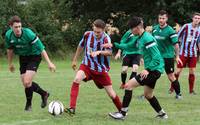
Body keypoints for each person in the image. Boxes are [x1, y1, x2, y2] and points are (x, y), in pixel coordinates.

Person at [109, 16, 168, 120]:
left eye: (132, 28)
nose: (131, 31)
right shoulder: (139, 37)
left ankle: (122, 113)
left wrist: (147, 69)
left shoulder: (147, 38)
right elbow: (129, 46)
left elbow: (157, 57)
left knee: (128, 86)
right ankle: (163, 115)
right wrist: (114, 45)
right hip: (152, 70)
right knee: (148, 95)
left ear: (137, 27)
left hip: (153, 70)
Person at [65, 19, 122, 115]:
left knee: (111, 94)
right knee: (76, 79)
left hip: (100, 70)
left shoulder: (106, 38)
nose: (96, 33)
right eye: (94, 31)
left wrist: (99, 52)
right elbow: (80, 46)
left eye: (98, 32)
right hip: (87, 65)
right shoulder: (87, 34)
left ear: (103, 30)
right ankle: (72, 108)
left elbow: (109, 52)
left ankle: (122, 111)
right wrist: (75, 59)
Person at [5, 16, 56, 111]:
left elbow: (41, 48)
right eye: (16, 27)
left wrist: (49, 63)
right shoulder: (8, 35)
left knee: (27, 81)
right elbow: (10, 50)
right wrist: (10, 63)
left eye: (20, 26)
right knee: (26, 84)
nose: (18, 29)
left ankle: (28, 105)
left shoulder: (28, 33)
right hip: (23, 57)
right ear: (10, 27)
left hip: (34, 56)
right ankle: (44, 94)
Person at [152, 10, 182, 98]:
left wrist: (177, 56)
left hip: (168, 57)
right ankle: (147, 94)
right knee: (151, 74)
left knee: (171, 76)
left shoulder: (170, 31)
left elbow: (176, 45)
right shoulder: (154, 29)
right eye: (160, 18)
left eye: (163, 18)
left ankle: (178, 94)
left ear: (167, 19)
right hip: (157, 56)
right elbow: (152, 42)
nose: (161, 20)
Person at [171, 12, 200, 95]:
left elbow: (198, 41)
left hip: (193, 54)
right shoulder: (186, 26)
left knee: (192, 72)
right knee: (177, 72)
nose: (197, 20)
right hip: (183, 53)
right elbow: (177, 36)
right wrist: (176, 47)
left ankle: (191, 91)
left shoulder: (199, 29)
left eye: (198, 18)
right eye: (196, 18)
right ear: (192, 19)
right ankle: (172, 88)